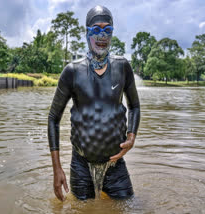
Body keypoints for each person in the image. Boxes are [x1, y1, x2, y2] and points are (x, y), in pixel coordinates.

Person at [48, 5, 140, 201]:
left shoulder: (122, 67)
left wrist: (131, 137)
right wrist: (57, 169)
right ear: (87, 32)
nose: (102, 35)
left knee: (130, 206)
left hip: (115, 164)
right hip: (81, 165)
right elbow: (53, 119)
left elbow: (135, 107)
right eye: (96, 29)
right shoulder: (72, 72)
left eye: (107, 29)